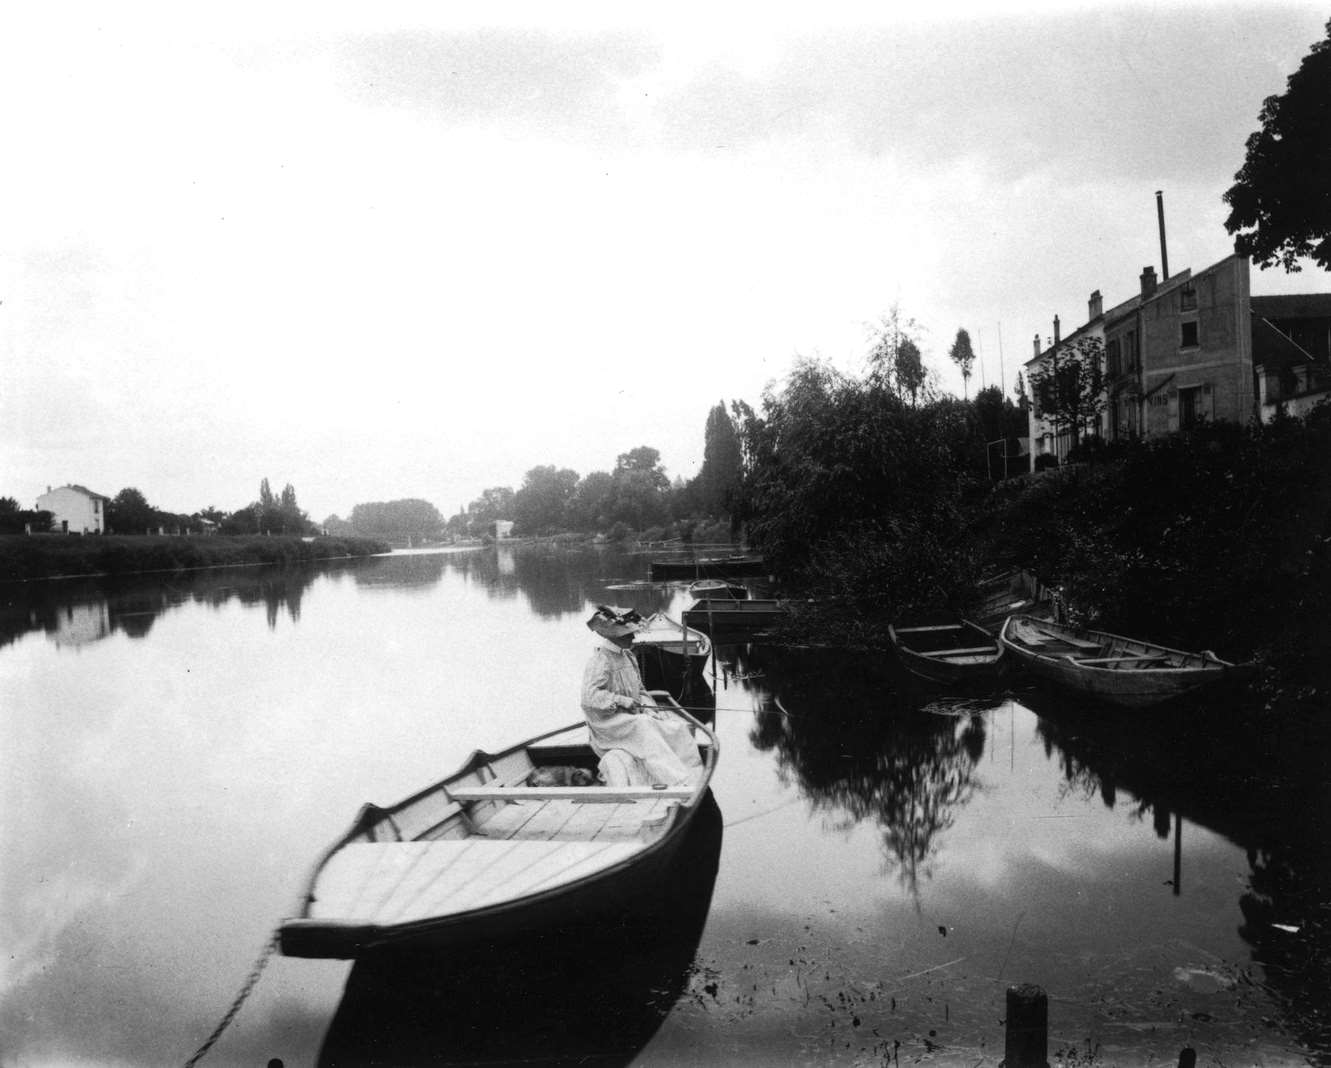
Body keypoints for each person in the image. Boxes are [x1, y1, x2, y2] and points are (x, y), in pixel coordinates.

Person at [580, 605, 703, 788]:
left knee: (674, 727)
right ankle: (677, 781)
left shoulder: (628, 656)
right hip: (607, 723)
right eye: (629, 634)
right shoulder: (600, 660)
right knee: (643, 726)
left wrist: (648, 707)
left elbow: (640, 690)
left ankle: (690, 770)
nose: (633, 637)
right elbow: (589, 698)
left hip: (627, 717)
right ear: (617, 637)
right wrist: (622, 701)